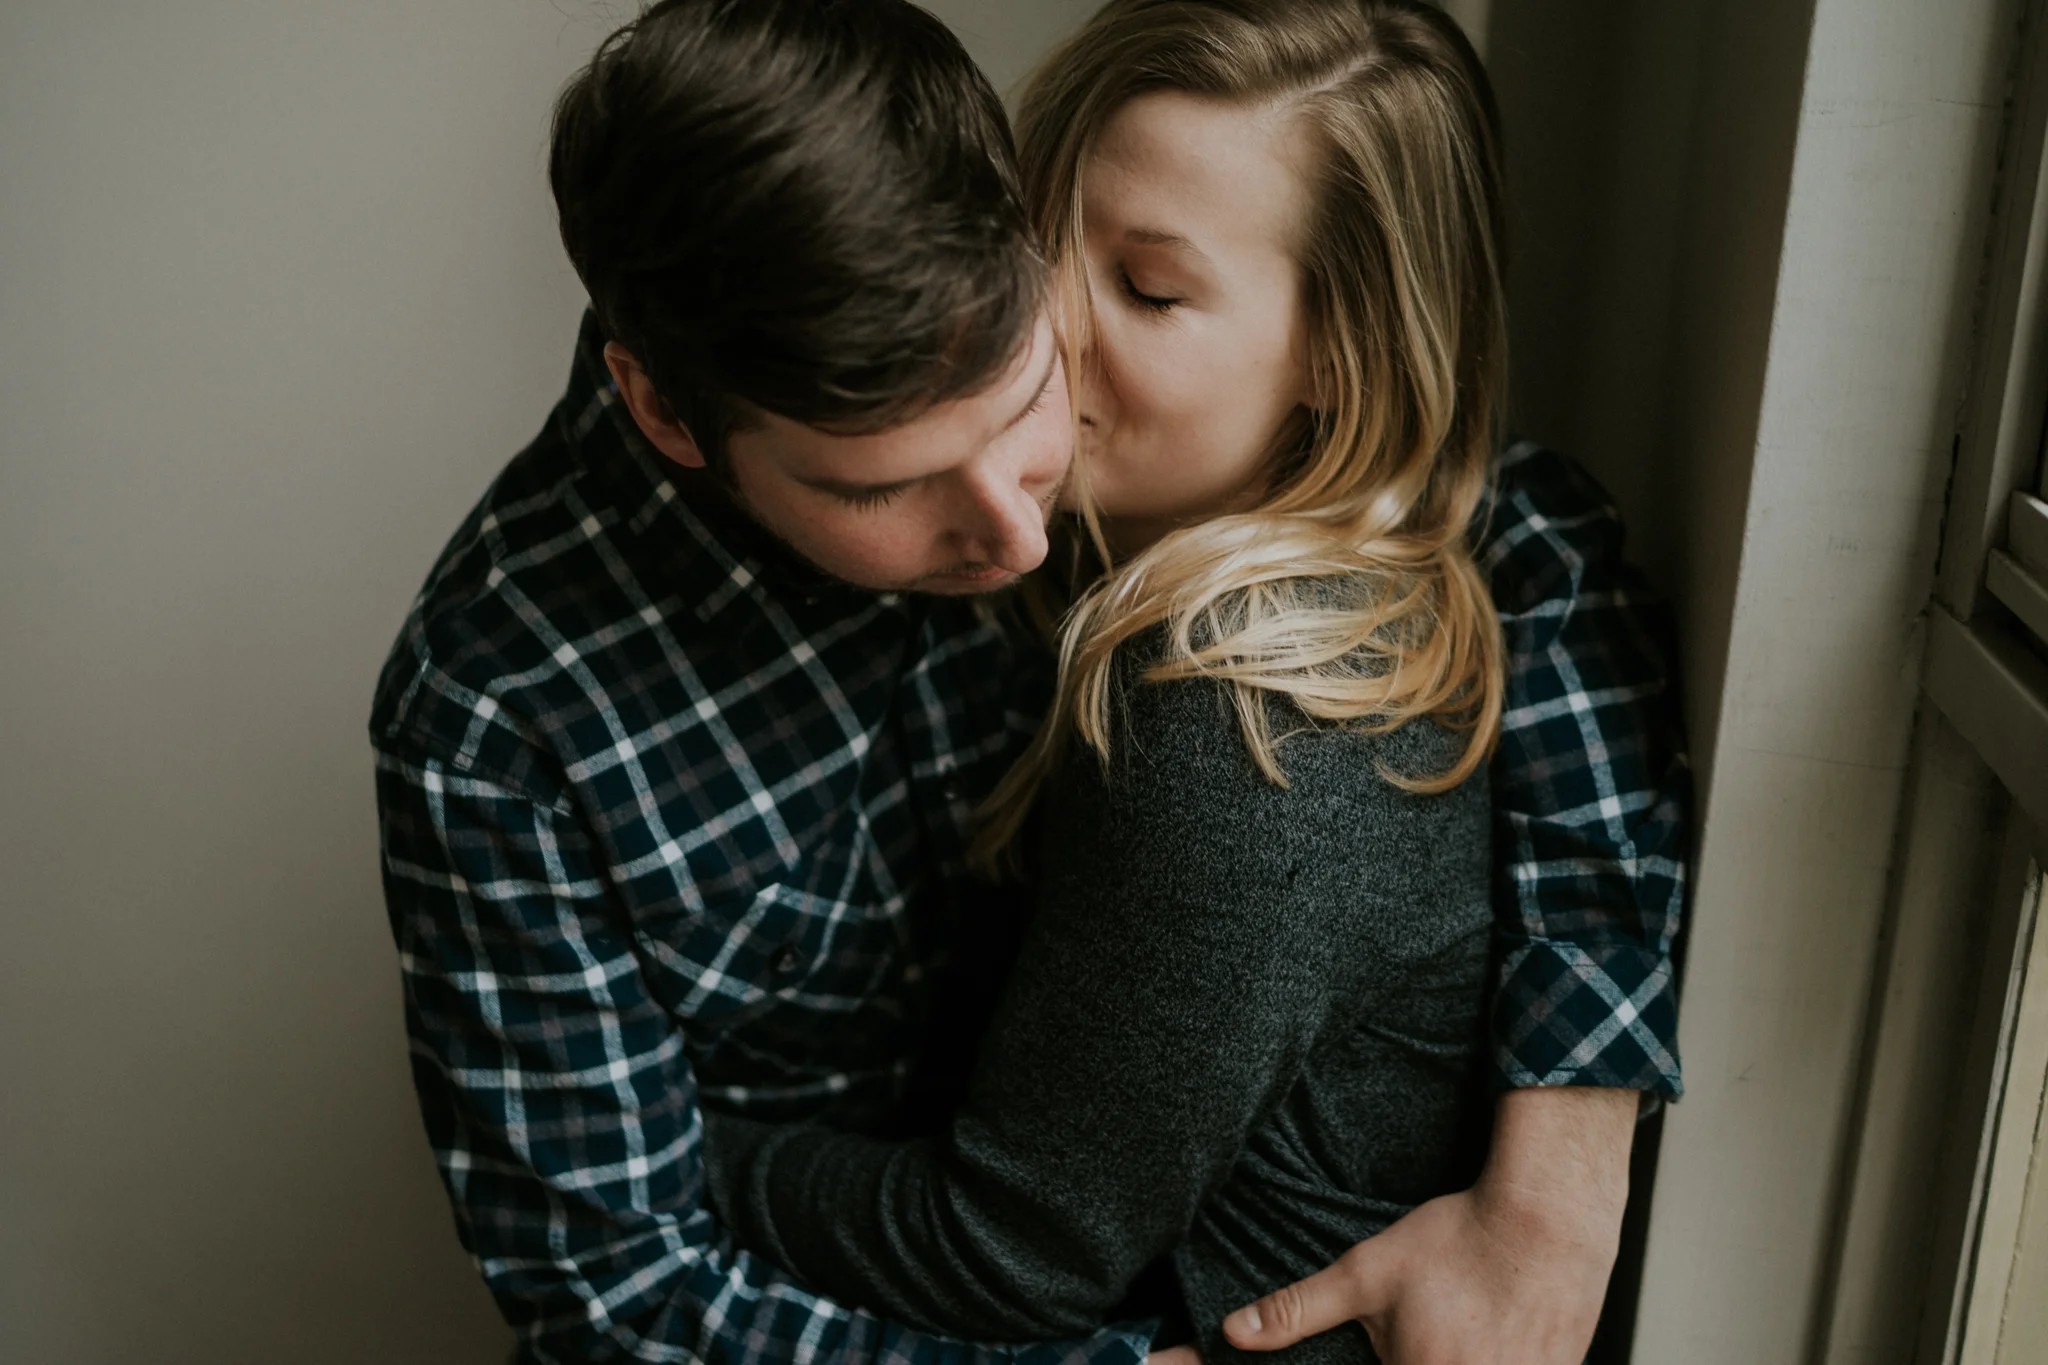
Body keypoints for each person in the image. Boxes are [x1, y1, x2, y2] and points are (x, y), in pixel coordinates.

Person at [368, 3, 1687, 1363]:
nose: (1017, 536)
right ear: (665, 412)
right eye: (882, 486)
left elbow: (1513, 524)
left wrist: (1563, 1166)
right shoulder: (500, 711)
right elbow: (621, 1294)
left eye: (1020, 398)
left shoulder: (1237, 649)